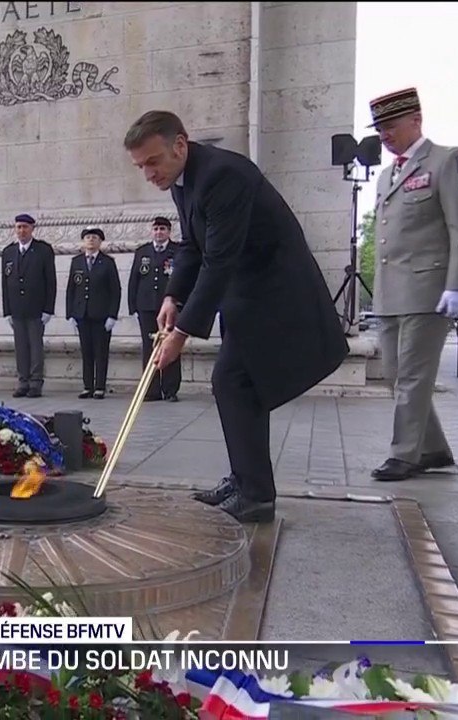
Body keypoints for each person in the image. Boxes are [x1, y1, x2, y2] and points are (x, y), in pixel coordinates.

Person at [124, 110, 349, 523]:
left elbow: (219, 260)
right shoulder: (183, 180)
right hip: (246, 295)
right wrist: (173, 296)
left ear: (179, 145)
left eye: (152, 161)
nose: (148, 174)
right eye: (140, 166)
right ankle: (247, 481)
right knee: (239, 385)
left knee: (231, 381)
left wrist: (181, 334)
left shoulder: (222, 175)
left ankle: (256, 494)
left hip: (275, 292)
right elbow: (193, 246)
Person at [365, 88, 458, 482]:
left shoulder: (448, 161)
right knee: (395, 374)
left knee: (413, 377)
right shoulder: (387, 175)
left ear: (416, 120)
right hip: (391, 293)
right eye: (379, 128)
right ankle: (432, 449)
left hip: (428, 290)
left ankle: (403, 455)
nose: (384, 135)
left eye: (391, 125)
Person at [0, 213, 56, 398]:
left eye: (25, 227)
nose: (22, 231)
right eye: (19, 227)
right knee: (21, 347)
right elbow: (5, 283)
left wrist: (48, 308)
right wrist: (7, 310)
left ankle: (36, 382)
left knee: (35, 346)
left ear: (32, 229)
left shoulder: (43, 250)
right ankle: (23, 381)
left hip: (36, 307)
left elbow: (50, 281)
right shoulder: (9, 251)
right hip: (17, 307)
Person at [128, 216, 183, 402]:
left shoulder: (178, 251)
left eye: (163, 229)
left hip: (170, 308)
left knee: (171, 346)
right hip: (146, 306)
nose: (159, 232)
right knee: (149, 348)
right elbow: (134, 280)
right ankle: (151, 390)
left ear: (169, 232)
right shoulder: (142, 252)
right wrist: (133, 306)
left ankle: (170, 389)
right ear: (152, 231)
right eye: (156, 229)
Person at [66, 227, 121, 399]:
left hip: (101, 315)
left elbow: (115, 290)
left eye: (94, 238)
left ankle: (100, 386)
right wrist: (70, 313)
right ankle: (87, 386)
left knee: (100, 351)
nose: (90, 240)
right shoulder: (77, 261)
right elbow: (71, 289)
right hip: (82, 314)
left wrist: (112, 315)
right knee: (86, 352)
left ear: (100, 241)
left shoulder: (108, 262)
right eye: (88, 237)